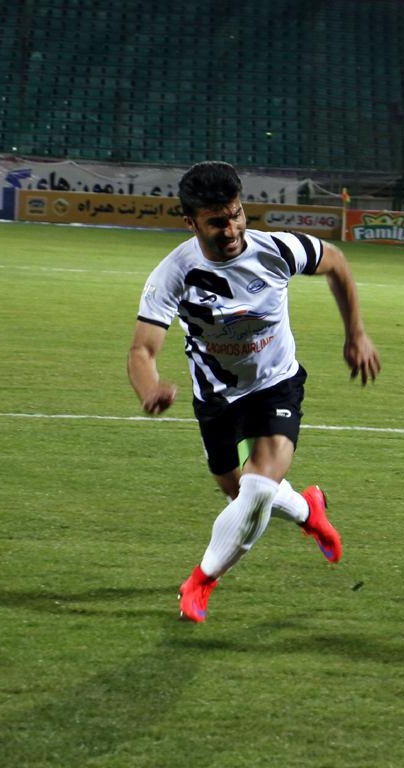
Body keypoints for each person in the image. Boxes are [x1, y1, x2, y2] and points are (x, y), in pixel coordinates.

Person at [127, 161, 381, 623]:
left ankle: (201, 581)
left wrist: (356, 334)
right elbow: (142, 350)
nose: (231, 230)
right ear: (190, 222)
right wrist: (149, 389)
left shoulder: (277, 250)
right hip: (215, 397)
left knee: (258, 487)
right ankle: (308, 510)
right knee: (240, 494)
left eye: (236, 215)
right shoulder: (173, 273)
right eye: (216, 222)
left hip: (275, 384)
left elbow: (336, 262)